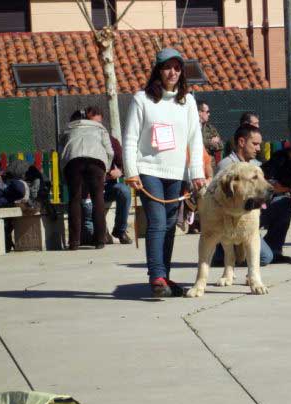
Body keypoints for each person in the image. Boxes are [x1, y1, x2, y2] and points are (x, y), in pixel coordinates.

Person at [123, 47, 206, 298]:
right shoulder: (142, 99)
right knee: (158, 221)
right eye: (168, 67)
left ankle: (164, 277)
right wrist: (131, 172)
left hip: (177, 171)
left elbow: (195, 139)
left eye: (177, 68)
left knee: (171, 224)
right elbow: (129, 139)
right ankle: (156, 276)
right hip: (148, 170)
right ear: (158, 70)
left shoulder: (188, 101)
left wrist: (196, 173)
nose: (173, 72)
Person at [213, 123, 291, 265]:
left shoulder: (255, 165)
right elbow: (227, 203)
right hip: (233, 220)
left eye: (259, 144)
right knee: (264, 258)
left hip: (253, 214)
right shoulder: (227, 167)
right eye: (255, 144)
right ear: (241, 142)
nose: (258, 148)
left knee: (284, 203)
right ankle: (225, 254)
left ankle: (274, 250)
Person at [60, 108, 113, 250]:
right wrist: (105, 168)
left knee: (74, 199)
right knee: (98, 199)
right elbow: (109, 151)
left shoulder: (67, 129)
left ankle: (74, 242)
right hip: (97, 162)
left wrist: (64, 171)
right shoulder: (100, 129)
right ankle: (100, 240)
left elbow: (62, 152)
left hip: (74, 162)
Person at [80, 107, 132, 245]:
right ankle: (100, 233)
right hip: (89, 189)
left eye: (99, 123)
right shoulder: (81, 141)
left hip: (108, 186)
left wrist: (120, 171)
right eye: (93, 123)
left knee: (124, 191)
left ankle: (120, 230)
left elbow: (123, 165)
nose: (97, 127)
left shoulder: (111, 141)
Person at [198, 100, 223, 168]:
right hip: (197, 165)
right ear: (199, 112)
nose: (209, 114)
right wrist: (210, 143)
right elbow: (194, 144)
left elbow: (221, 145)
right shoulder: (192, 127)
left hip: (210, 166)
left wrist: (214, 144)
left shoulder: (211, 128)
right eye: (207, 112)